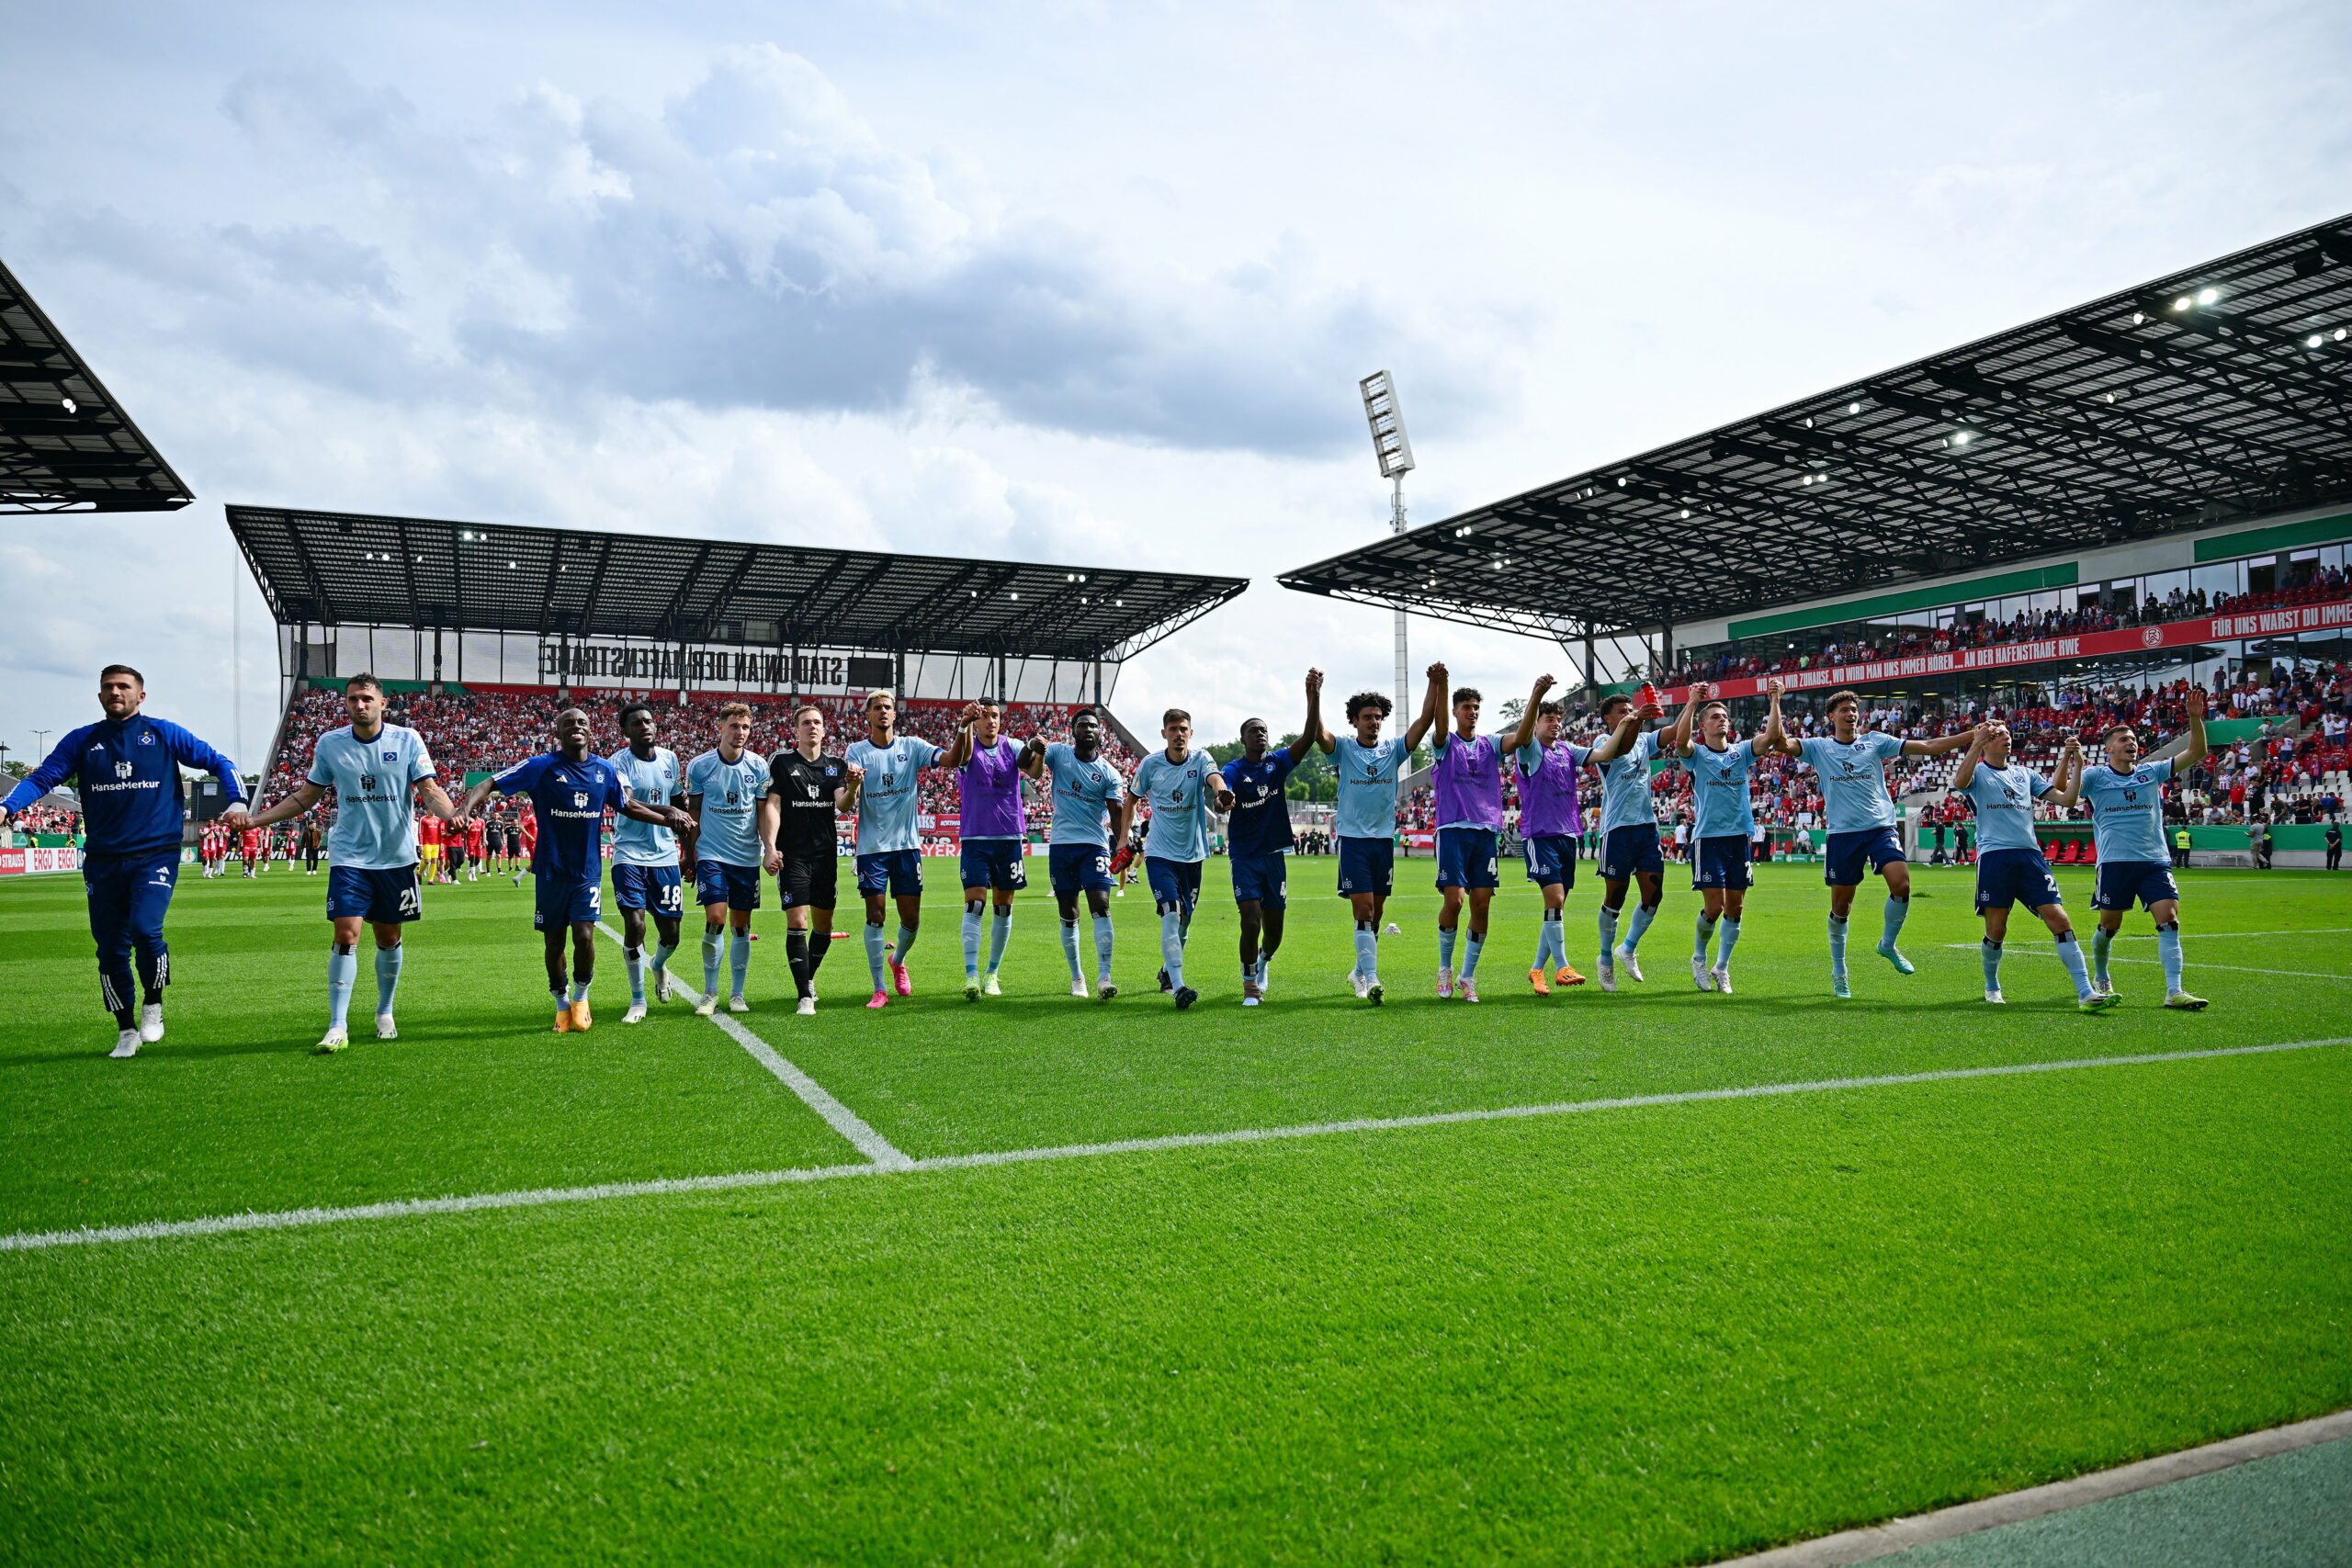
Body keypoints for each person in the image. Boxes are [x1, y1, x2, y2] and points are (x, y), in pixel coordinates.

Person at [0, 664, 245, 1058]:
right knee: (110, 950)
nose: (116, 692)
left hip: (154, 856)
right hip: (102, 860)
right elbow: (42, 778)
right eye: (108, 687)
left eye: (123, 686)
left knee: (146, 930)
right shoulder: (83, 741)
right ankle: (125, 1030)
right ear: (100, 696)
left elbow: (220, 762)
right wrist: (7, 805)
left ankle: (153, 1003)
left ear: (140, 695)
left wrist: (237, 799)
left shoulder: (163, 733)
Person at [239, 673, 466, 1051]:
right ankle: (337, 1024)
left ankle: (384, 1011)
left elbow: (429, 790)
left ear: (382, 703)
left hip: (395, 857)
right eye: (352, 699)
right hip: (349, 857)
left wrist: (451, 815)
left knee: (388, 937)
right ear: (345, 704)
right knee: (346, 935)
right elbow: (305, 797)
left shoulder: (407, 740)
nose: (359, 705)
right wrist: (256, 818)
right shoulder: (330, 744)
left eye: (366, 698)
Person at [459, 708, 662, 1032]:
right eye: (568, 723)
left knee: (583, 937)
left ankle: (581, 997)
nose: (576, 727)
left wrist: (671, 818)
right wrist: (464, 810)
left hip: (587, 872)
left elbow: (630, 806)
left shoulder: (605, 770)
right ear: (558, 733)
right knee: (553, 942)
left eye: (582, 722)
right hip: (551, 871)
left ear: (590, 731)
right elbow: (488, 783)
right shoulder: (541, 767)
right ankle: (561, 1001)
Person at [1772, 690, 1975, 998]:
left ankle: (1888, 945)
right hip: (1843, 835)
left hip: (1880, 828)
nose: (1851, 714)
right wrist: (1775, 701)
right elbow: (1781, 743)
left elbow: (1931, 747)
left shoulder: (1876, 741)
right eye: (1844, 710)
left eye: (1854, 709)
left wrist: (1974, 734)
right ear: (1832, 716)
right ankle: (1839, 970)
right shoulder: (1818, 747)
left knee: (1902, 884)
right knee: (1841, 907)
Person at [2060, 689, 2210, 1010]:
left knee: (2169, 919)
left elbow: (2197, 751)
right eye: (2124, 739)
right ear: (2109, 748)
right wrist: (2072, 761)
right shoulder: (2095, 776)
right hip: (2115, 863)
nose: (2132, 743)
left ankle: (2174, 991)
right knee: (2110, 925)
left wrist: (2195, 718)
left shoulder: (2150, 771)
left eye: (2134, 738)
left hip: (2154, 860)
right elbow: (2060, 790)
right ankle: (2101, 976)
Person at [1951, 723, 2117, 1011]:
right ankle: (1992, 985)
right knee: (1997, 929)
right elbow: (1960, 783)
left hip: (2030, 857)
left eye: (2007, 733)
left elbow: (2066, 799)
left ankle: (2085, 992)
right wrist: (1975, 743)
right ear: (1986, 742)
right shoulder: (1977, 772)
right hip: (1995, 858)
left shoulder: (2025, 774)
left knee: (2060, 920)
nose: (2006, 737)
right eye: (1998, 735)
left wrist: (2073, 761)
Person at [1315, 671, 1442, 1003]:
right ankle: (1370, 978)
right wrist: (1313, 693)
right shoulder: (1343, 749)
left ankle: (1358, 969)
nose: (1374, 722)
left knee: (1379, 913)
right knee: (1365, 910)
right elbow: (1319, 733)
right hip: (1353, 840)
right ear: (1354, 721)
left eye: (1378, 717)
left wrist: (1434, 683)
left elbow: (1425, 719)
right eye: (1367, 717)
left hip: (1383, 841)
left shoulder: (1393, 749)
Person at [1676, 679, 1787, 994]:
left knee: (1735, 909)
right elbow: (1680, 741)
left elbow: (1772, 738)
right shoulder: (1696, 754)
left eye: (1724, 716)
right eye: (1714, 717)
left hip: (1740, 837)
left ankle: (1721, 967)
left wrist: (1775, 701)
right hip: (1709, 838)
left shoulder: (1740, 752)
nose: (1721, 719)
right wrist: (1693, 702)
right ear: (1703, 726)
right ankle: (1699, 958)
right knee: (1714, 908)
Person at [1219, 673, 1320, 1005]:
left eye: (1264, 730)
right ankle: (1249, 986)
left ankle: (1264, 960)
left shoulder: (1277, 763)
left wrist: (1313, 696)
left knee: (1274, 932)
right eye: (1254, 730)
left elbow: (1309, 736)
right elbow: (1222, 782)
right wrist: (1224, 797)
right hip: (1245, 857)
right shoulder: (1235, 768)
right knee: (1251, 919)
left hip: (1274, 857)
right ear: (1243, 739)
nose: (1260, 734)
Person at [1125, 707, 1235, 1009]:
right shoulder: (1150, 764)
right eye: (1172, 729)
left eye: (1183, 728)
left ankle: (1166, 972)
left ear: (1191, 732)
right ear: (1164, 733)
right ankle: (1178, 986)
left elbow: (1215, 779)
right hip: (1159, 853)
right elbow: (1131, 798)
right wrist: (1124, 838)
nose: (1178, 734)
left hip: (1193, 855)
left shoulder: (1201, 759)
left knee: (1184, 921)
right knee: (1172, 913)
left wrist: (1222, 792)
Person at [1023, 707, 1130, 1001]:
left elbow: (1117, 811)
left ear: (1100, 732)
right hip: (1061, 846)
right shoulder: (1058, 753)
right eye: (1082, 725)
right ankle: (1077, 977)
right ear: (1073, 731)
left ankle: (1104, 976)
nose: (1088, 729)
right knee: (1068, 913)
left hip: (1093, 845)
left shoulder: (1110, 772)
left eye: (1093, 726)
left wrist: (1122, 842)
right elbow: (1029, 769)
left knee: (1101, 904)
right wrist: (1035, 748)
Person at [759, 704, 860, 1015]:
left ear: (824, 730)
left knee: (824, 927)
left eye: (817, 722)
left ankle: (809, 977)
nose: (812, 727)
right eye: (806, 722)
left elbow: (842, 804)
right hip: (793, 854)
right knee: (797, 921)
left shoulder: (835, 765)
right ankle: (804, 995)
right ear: (797, 729)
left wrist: (854, 784)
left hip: (825, 854)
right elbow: (772, 806)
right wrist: (770, 847)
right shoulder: (781, 761)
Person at [845, 690, 944, 1008]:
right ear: (869, 716)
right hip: (872, 849)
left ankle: (898, 961)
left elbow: (952, 759)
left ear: (894, 714)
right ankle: (879, 988)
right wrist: (853, 783)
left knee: (911, 920)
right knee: (875, 915)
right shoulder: (857, 751)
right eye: (877, 708)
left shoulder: (912, 746)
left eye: (888, 707)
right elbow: (848, 801)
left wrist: (963, 726)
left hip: (906, 848)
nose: (883, 712)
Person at [1585, 690, 1681, 994]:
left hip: (1646, 828)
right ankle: (1604, 958)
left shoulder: (1644, 738)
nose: (1627, 713)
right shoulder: (1603, 743)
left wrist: (1690, 701)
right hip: (1617, 830)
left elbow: (1675, 732)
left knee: (1654, 895)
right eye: (1621, 711)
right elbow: (1622, 748)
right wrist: (1637, 717)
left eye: (1630, 708)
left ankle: (1627, 948)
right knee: (1616, 896)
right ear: (1607, 718)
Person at [1500, 672, 1589, 994]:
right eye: (1548, 719)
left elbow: (1603, 755)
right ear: (1536, 724)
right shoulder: (1529, 749)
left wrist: (1629, 723)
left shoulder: (1566, 749)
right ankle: (1562, 965)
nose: (1555, 724)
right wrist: (1536, 693)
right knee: (1554, 898)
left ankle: (1537, 969)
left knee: (1558, 904)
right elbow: (1523, 734)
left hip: (1568, 834)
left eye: (1557, 720)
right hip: (1540, 834)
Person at [607, 702, 695, 1023]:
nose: (645, 726)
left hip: (665, 857)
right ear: (625, 731)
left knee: (671, 935)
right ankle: (638, 1000)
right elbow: (626, 803)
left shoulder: (670, 759)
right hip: (629, 854)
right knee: (635, 924)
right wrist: (667, 814)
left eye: (648, 721)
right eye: (637, 723)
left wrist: (689, 853)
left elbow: (680, 809)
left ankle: (658, 965)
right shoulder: (618, 762)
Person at [681, 703, 770, 1016]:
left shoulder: (760, 767)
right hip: (711, 854)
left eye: (745, 727)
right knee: (716, 918)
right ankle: (709, 992)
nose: (740, 733)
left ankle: (737, 993)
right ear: (721, 727)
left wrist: (769, 847)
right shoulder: (700, 766)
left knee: (742, 926)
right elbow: (693, 812)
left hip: (746, 856)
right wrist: (689, 856)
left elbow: (763, 811)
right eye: (734, 726)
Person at [1426, 664, 1504, 1002]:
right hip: (1453, 829)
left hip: (1485, 830)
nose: (1471, 712)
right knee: (1455, 900)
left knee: (1482, 905)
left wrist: (1536, 695)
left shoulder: (1491, 743)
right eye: (1466, 708)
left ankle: (1467, 976)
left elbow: (1522, 737)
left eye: (1475, 708)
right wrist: (1442, 686)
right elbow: (1439, 726)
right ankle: (1444, 969)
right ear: (1456, 711)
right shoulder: (1445, 743)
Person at [941, 699, 1029, 1001]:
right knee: (974, 905)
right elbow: (960, 755)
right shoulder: (967, 747)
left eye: (995, 716)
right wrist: (964, 724)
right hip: (976, 838)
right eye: (986, 717)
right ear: (977, 722)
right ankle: (971, 975)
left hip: (1009, 838)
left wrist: (1038, 749)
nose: (991, 721)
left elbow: (1032, 766)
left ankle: (992, 972)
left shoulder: (1013, 746)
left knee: (1003, 908)